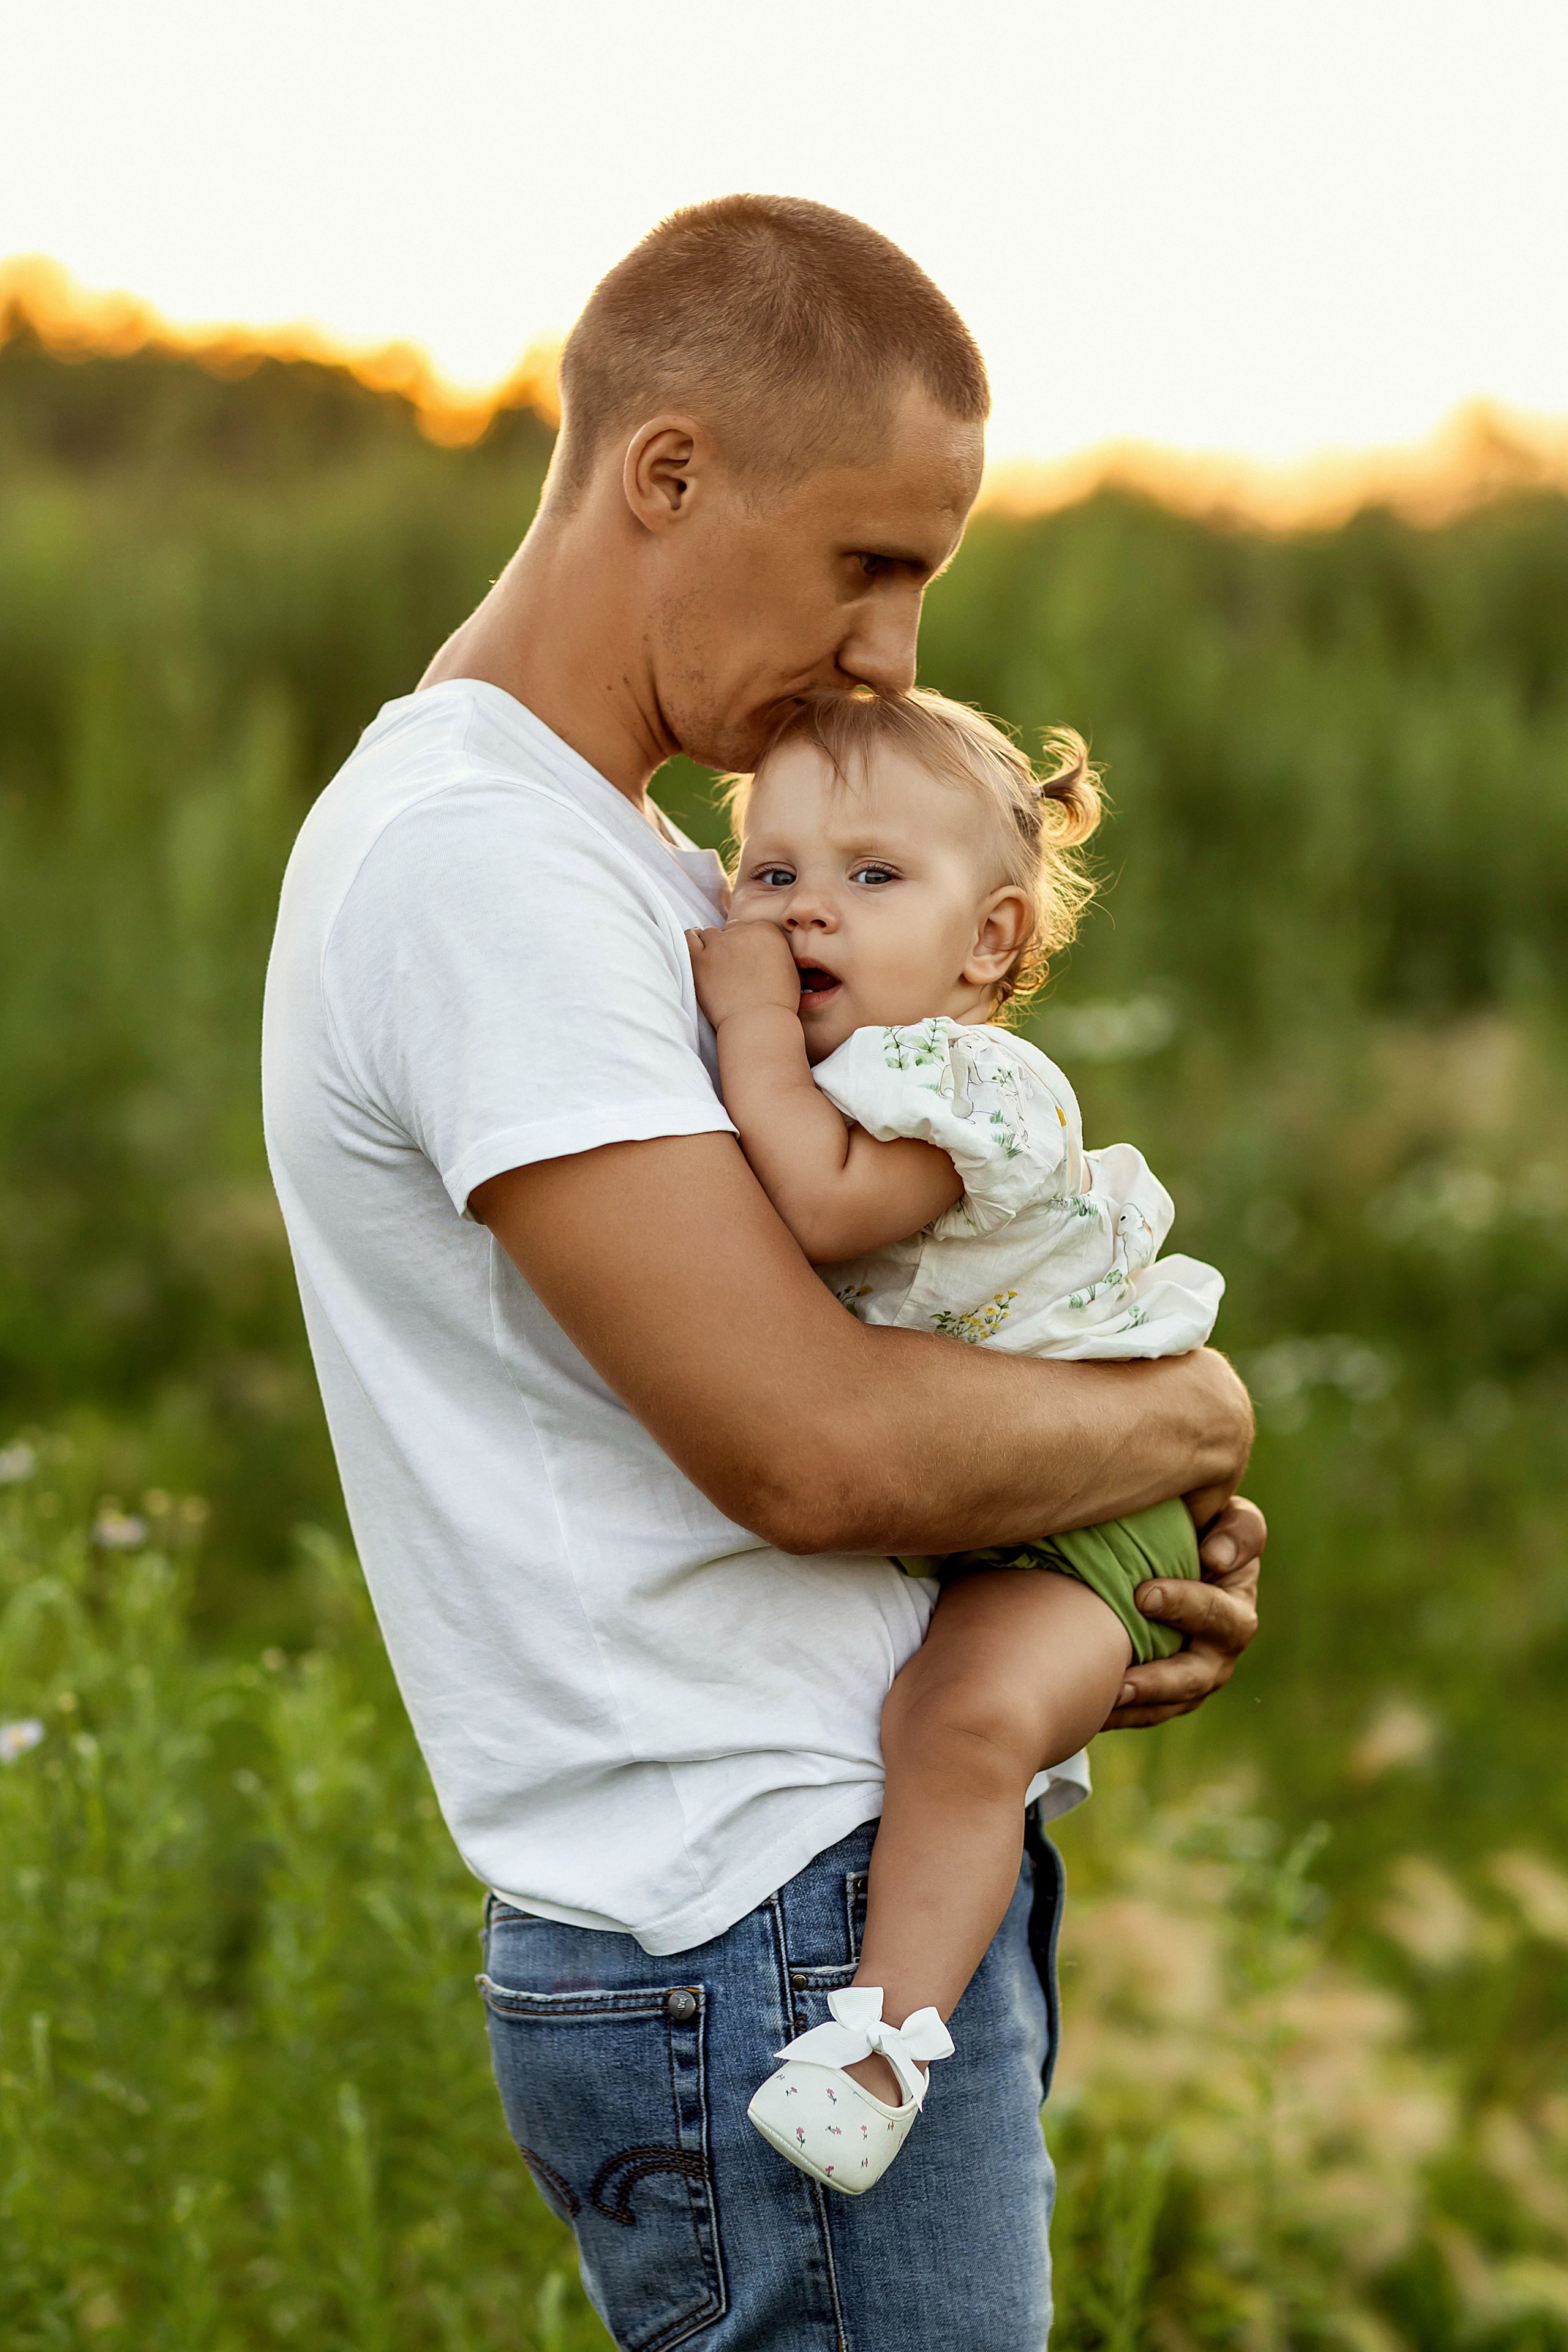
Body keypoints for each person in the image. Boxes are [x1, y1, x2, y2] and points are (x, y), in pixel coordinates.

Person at [262, 194, 1264, 2350]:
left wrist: (1077, 1538)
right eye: (870, 563)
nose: (895, 653)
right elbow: (803, 1451)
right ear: (669, 474)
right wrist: (1182, 1420)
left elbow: (874, 1344)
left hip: (811, 1905)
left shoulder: (634, 861)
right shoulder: (481, 868)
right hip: (757, 1925)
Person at [685, 689, 1226, 2198]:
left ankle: (881, 2051)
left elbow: (818, 1209)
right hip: (999, 1484)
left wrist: (735, 1021)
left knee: (960, 1724)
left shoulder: (960, 1081)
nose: (801, 914)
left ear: (989, 941)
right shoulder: (848, 1062)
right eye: (769, 873)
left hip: (1078, 1517)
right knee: (943, 1713)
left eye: (870, 878)